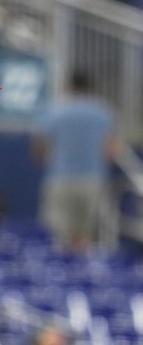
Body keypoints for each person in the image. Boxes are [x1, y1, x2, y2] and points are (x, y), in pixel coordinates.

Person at [31, 69, 119, 253]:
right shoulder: (103, 113)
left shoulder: (55, 112)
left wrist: (51, 161)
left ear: (69, 87)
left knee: (55, 236)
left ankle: (60, 276)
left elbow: (39, 149)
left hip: (60, 179)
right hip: (92, 180)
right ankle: (83, 277)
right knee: (85, 237)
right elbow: (111, 150)